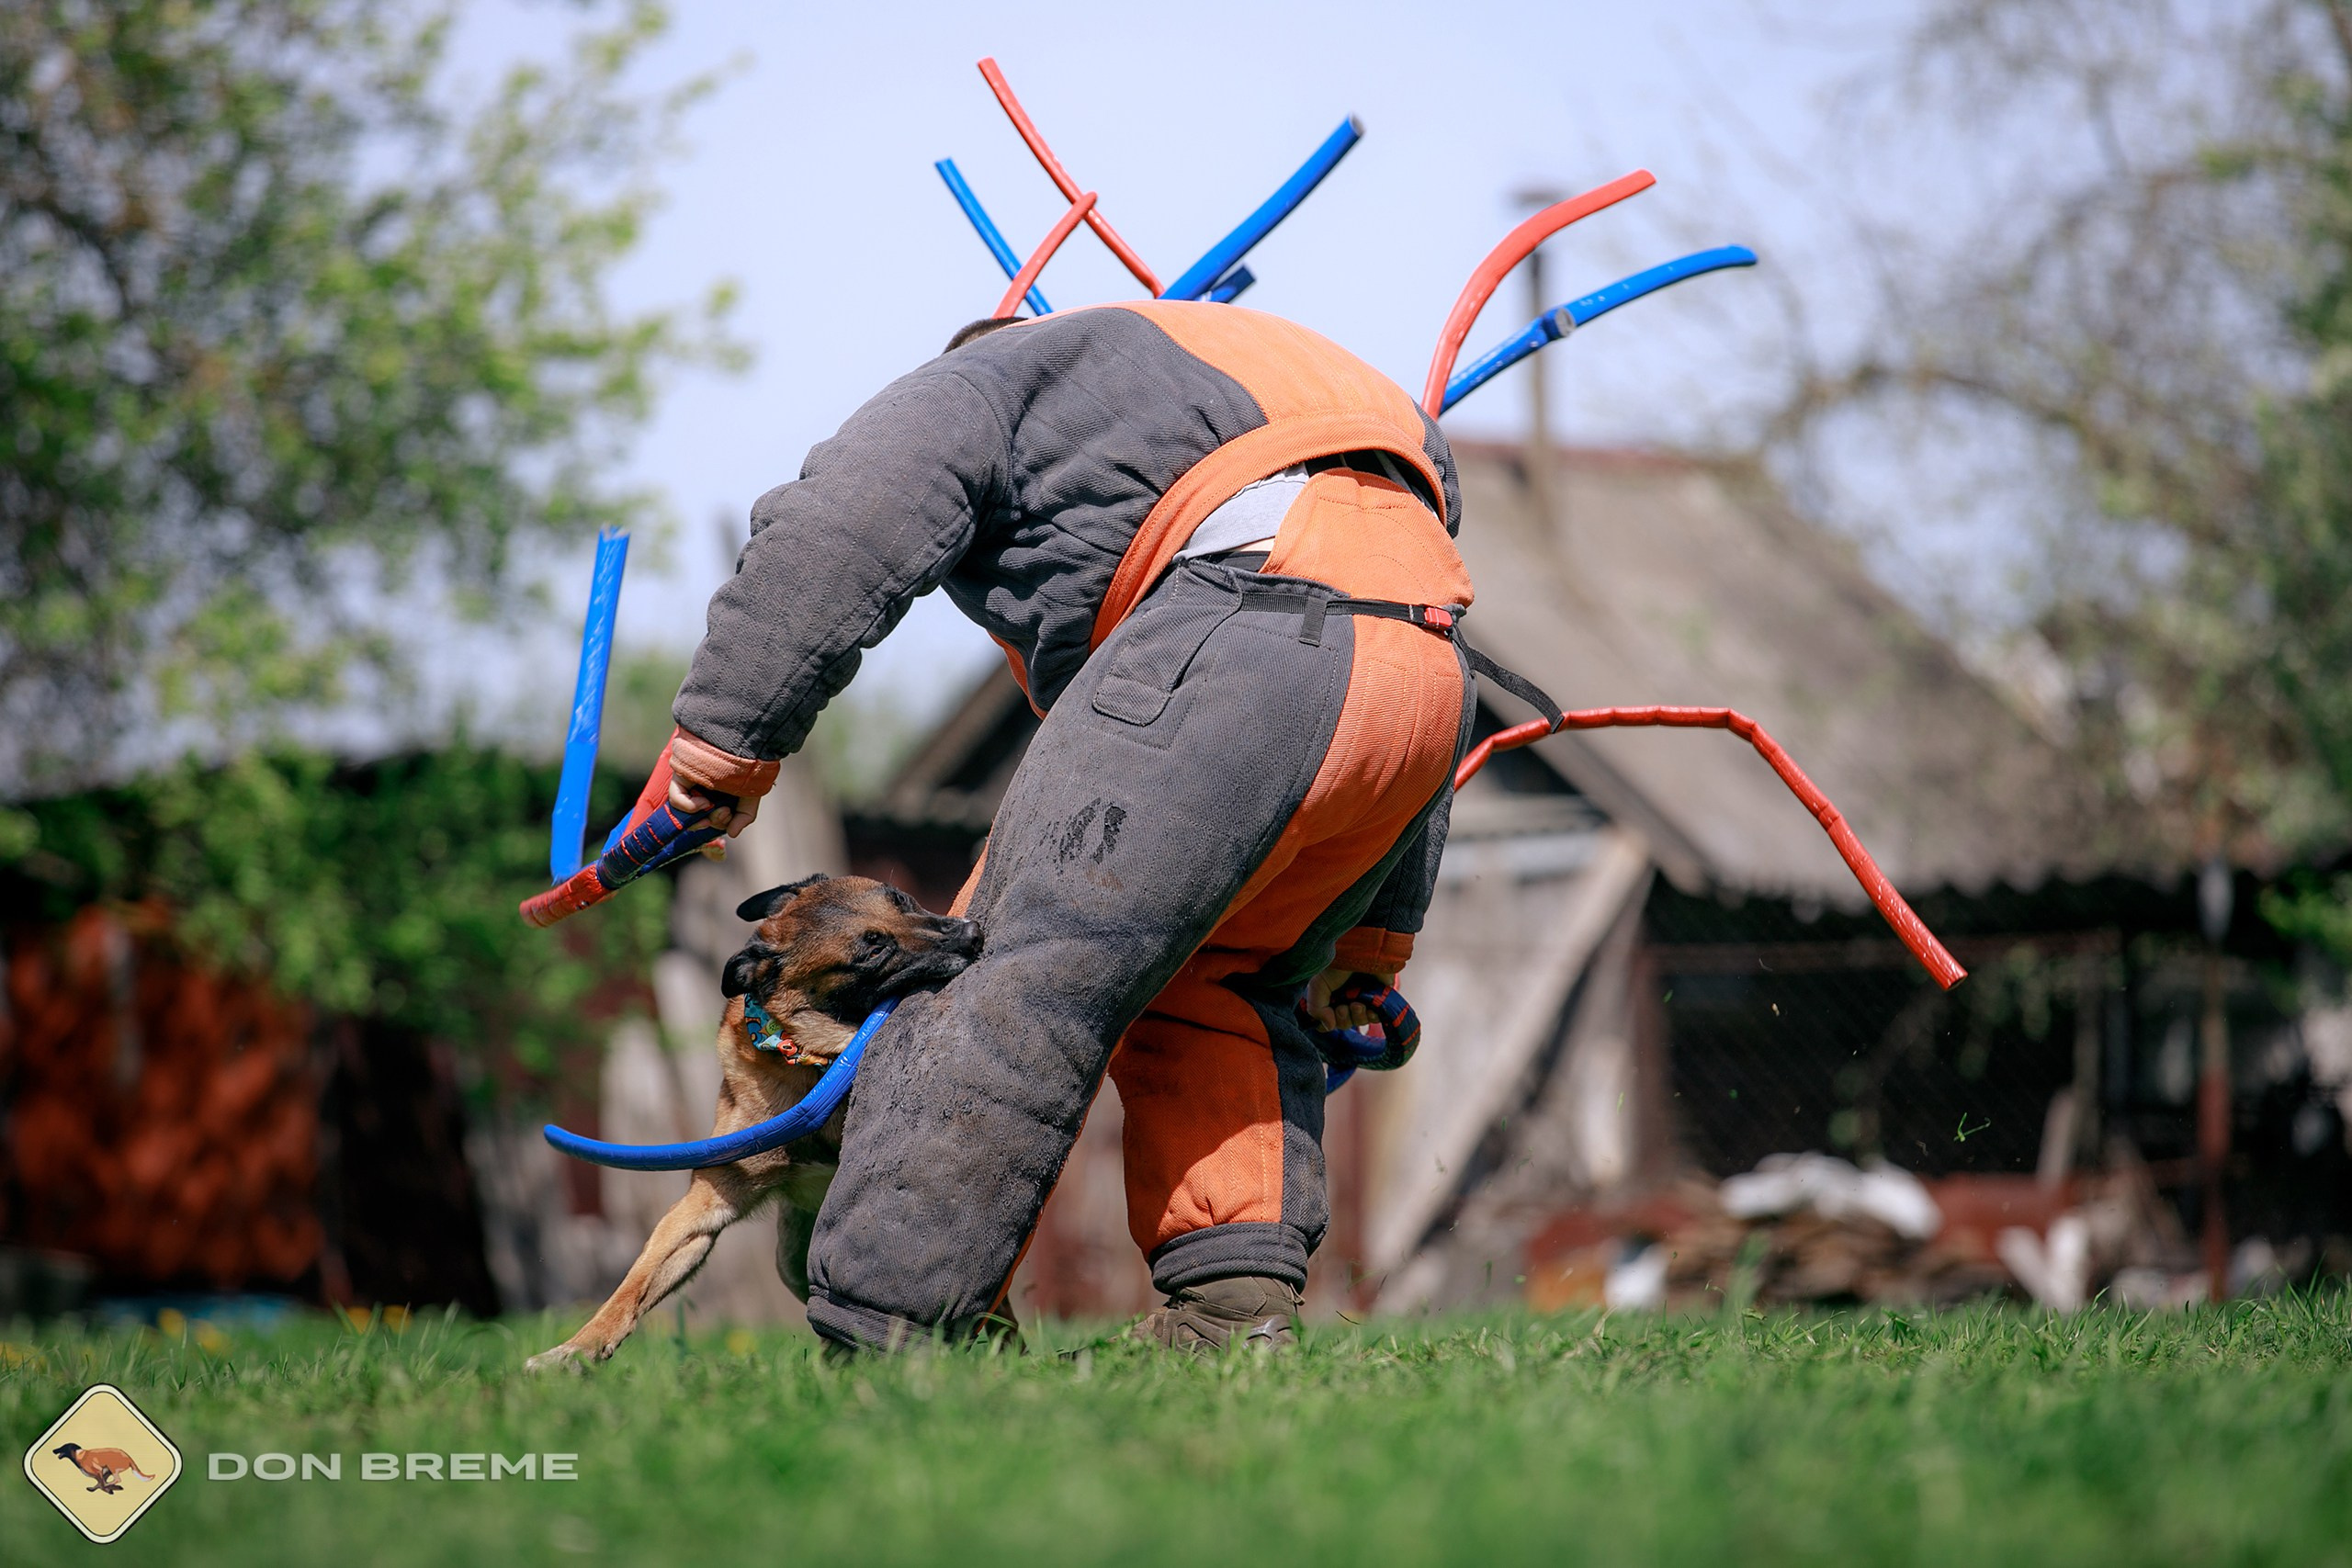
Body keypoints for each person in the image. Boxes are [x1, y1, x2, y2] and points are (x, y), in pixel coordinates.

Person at [665, 301, 1476, 1353]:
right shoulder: (1229, 364)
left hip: (1242, 634)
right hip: (1429, 667)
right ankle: (1233, 1322)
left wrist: (722, 741)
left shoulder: (978, 382)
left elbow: (839, 525)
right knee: (1228, 983)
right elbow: (1389, 617)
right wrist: (1370, 945)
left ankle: (885, 1336)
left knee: (1001, 983)